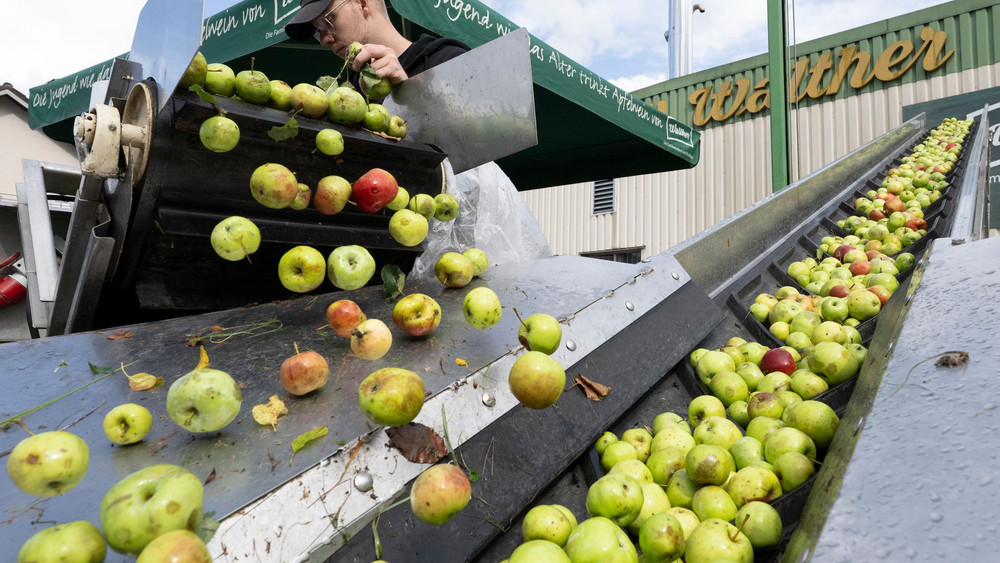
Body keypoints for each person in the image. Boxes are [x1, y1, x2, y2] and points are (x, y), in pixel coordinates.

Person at [284, 0, 470, 88]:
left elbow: (474, 142)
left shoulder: (449, 61)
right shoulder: (354, 93)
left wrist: (406, 93)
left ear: (363, 3)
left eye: (327, 22)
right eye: (318, 32)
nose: (325, 40)